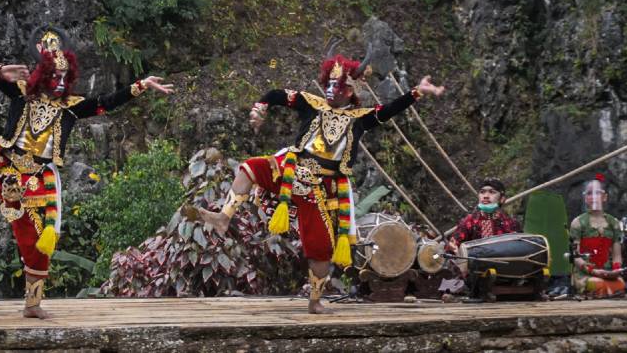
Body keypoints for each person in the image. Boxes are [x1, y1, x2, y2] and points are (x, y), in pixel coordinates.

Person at [0, 26, 174, 319]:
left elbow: (106, 103)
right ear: (43, 73)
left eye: (64, 76)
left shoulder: (72, 107)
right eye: (54, 75)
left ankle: (33, 304)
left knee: (35, 242)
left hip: (37, 180)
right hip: (3, 165)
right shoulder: (21, 93)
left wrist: (141, 85)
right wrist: (0, 70)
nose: (60, 81)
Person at [188, 49, 445, 313]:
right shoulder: (311, 103)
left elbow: (391, 109)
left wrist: (417, 92)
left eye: (339, 85)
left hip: (322, 189)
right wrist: (260, 108)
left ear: (350, 91)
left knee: (321, 248)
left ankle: (315, 300)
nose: (332, 89)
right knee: (250, 168)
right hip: (292, 171)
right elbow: (277, 95)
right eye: (330, 84)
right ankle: (223, 217)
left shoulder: (361, 119)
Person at [569, 174, 624, 297]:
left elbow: (617, 255)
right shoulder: (578, 223)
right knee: (597, 284)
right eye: (589, 193)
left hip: (607, 272)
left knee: (620, 284)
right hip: (585, 274)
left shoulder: (613, 223)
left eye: (597, 193)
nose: (593, 197)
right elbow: (576, 257)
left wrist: (615, 271)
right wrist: (592, 271)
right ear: (585, 198)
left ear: (604, 197)